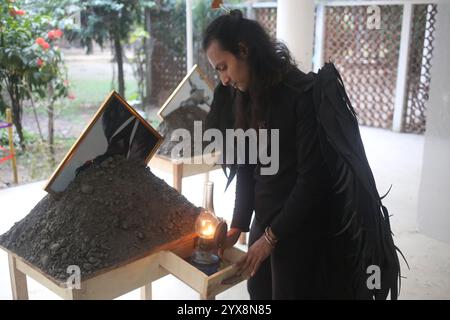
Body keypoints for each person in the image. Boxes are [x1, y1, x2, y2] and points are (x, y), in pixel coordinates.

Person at [203, 10, 402, 300]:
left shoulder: (300, 94)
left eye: (223, 67)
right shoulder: (242, 96)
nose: (222, 79)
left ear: (244, 50)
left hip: (301, 230)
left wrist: (270, 239)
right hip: (265, 224)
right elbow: (246, 170)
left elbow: (312, 181)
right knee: (259, 292)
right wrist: (237, 227)